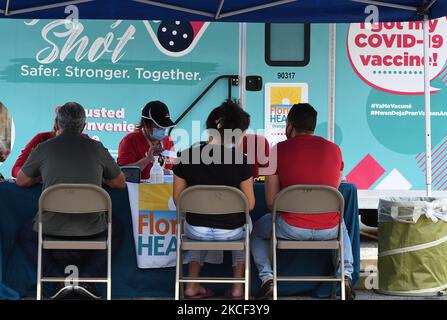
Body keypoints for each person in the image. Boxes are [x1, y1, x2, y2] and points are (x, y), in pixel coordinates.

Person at [16, 102, 126, 299]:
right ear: (84, 126)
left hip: (51, 228)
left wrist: (41, 175)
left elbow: (21, 180)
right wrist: (99, 176)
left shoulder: (43, 147)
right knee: (117, 229)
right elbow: (119, 183)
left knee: (25, 234)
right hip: (92, 229)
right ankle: (86, 278)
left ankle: (59, 280)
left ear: (57, 124)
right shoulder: (97, 148)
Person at [251, 103, 355, 300]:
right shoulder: (334, 150)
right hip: (329, 229)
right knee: (342, 227)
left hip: (291, 227)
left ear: (289, 125)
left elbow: (272, 203)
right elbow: (336, 184)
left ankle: (267, 279)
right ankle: (345, 276)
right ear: (314, 126)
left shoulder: (278, 150)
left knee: (254, 231)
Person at [172, 100, 255, 300]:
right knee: (245, 223)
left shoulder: (184, 156)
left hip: (196, 230)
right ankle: (237, 288)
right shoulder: (241, 160)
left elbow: (178, 201)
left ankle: (191, 285)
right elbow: (249, 204)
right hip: (232, 232)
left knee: (197, 224)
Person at [11, 107, 88, 178]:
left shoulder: (88, 142)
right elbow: (16, 169)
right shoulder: (41, 139)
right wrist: (40, 176)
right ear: (57, 125)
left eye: (73, 127)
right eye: (66, 126)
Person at [118, 101, 175, 180]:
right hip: (137, 191)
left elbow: (173, 169)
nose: (163, 130)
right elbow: (121, 174)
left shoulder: (168, 141)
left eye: (165, 126)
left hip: (164, 191)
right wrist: (147, 159)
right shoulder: (130, 141)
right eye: (159, 127)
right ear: (146, 124)